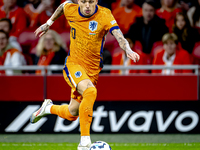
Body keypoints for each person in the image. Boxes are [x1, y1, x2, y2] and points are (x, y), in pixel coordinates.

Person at [30, 0, 140, 150]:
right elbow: (63, 6)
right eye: (83, 1)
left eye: (91, 1)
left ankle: (48, 108)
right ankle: (84, 143)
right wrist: (48, 23)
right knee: (90, 91)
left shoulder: (104, 14)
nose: (87, 5)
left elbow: (119, 35)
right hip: (73, 65)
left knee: (72, 113)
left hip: (92, 71)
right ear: (78, 1)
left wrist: (127, 49)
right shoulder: (71, 9)